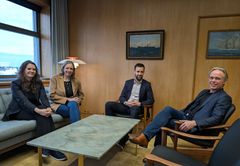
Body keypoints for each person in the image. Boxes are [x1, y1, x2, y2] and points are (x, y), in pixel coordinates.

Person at [130, 67, 232, 148]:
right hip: (186, 117)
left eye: (217, 78)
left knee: (162, 121)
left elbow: (217, 118)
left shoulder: (224, 98)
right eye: (211, 77)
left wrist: (194, 123)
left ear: (224, 82)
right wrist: (177, 114)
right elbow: (191, 107)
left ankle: (148, 141)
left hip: (197, 128)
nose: (213, 80)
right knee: (167, 112)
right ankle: (148, 141)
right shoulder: (204, 92)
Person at [2, 60, 67, 160]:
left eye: (34, 69)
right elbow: (23, 101)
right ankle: (51, 148)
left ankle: (46, 147)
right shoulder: (15, 83)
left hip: (33, 109)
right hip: (17, 111)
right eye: (29, 69)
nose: (31, 71)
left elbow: (44, 97)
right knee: (42, 113)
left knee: (45, 113)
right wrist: (39, 110)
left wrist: (48, 108)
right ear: (23, 70)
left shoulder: (38, 82)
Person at [105, 63, 154, 148]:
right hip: (126, 106)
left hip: (137, 108)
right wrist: (126, 102)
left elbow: (151, 100)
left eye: (141, 72)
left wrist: (140, 103)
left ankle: (123, 141)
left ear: (144, 72)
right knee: (108, 104)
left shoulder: (147, 84)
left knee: (134, 109)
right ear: (134, 71)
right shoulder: (128, 82)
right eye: (138, 71)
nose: (139, 73)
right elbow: (122, 96)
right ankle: (112, 131)